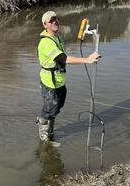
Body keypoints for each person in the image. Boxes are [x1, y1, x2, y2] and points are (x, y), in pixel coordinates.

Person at [37, 11, 100, 146]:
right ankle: (45, 140)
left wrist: (87, 58)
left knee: (57, 107)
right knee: (49, 109)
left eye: (55, 19)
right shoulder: (46, 42)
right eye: (51, 20)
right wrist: (87, 60)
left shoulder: (57, 38)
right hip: (50, 83)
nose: (55, 21)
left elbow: (64, 60)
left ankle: (50, 133)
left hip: (59, 81)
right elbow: (63, 59)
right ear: (45, 25)